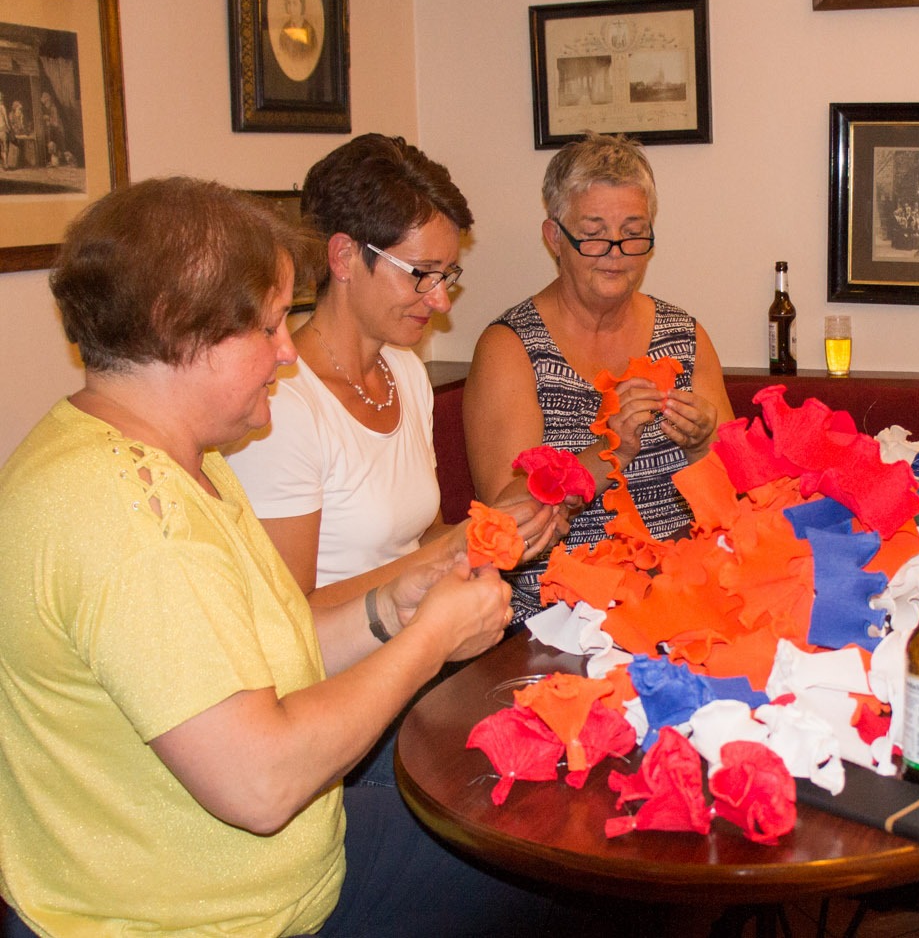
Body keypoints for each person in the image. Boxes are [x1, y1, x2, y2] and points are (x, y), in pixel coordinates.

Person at [0, 177, 567, 937]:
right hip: (205, 920)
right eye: (267, 327)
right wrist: (431, 640)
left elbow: (265, 651)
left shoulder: (161, 455)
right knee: (560, 872)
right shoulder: (135, 519)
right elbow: (260, 786)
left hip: (291, 866)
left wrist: (393, 610)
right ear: (176, 329)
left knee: (539, 823)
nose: (287, 352)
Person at [224, 133, 563, 786]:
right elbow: (287, 621)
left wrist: (499, 532)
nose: (440, 301)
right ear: (344, 256)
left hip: (421, 669)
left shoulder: (403, 372)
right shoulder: (282, 405)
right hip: (341, 704)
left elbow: (417, 539)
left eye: (448, 276)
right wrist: (452, 551)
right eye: (422, 274)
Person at [464, 131, 735, 624]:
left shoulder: (684, 336)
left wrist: (701, 445)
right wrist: (613, 451)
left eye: (633, 232)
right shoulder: (511, 348)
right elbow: (507, 526)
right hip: (559, 612)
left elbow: (735, 500)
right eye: (594, 233)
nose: (617, 252)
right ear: (554, 238)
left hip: (683, 594)